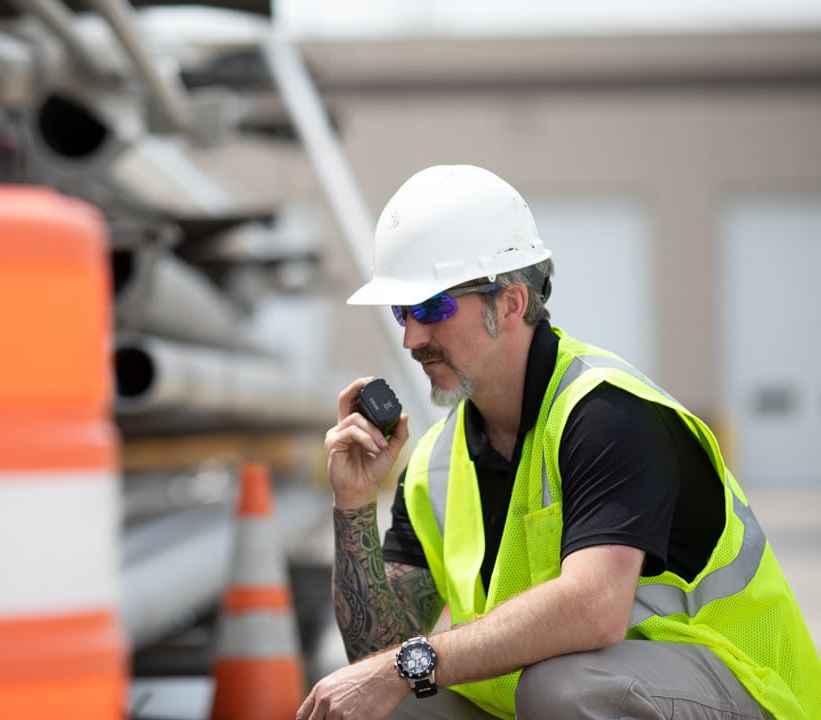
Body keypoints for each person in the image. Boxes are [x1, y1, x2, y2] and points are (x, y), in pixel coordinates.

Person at [297, 165, 821, 720]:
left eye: (432, 308)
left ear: (511, 303)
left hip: (747, 694)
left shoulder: (609, 414)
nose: (411, 337)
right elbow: (376, 660)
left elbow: (594, 610)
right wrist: (352, 504)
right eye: (403, 312)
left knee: (565, 687)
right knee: (386, 704)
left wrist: (406, 665)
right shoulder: (432, 466)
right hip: (562, 697)